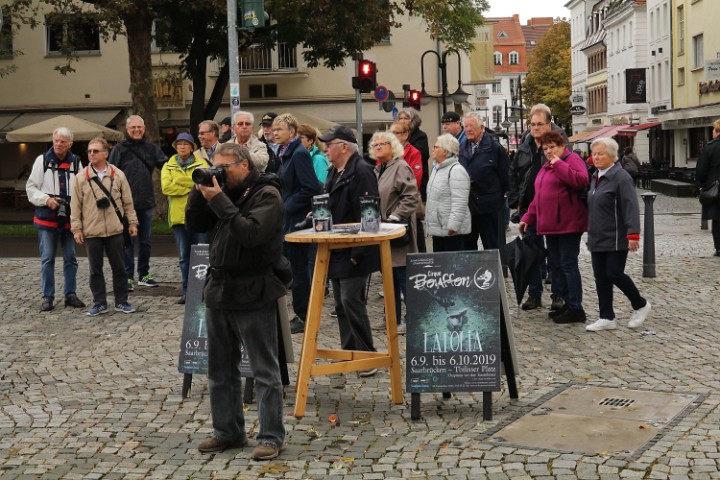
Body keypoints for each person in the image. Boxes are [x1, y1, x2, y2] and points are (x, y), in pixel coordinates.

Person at [186, 142, 287, 459]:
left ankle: (271, 436)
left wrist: (218, 199)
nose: (219, 173)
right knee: (219, 369)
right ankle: (227, 431)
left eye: (223, 168)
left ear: (244, 165)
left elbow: (251, 234)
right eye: (214, 166)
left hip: (253, 288)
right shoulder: (226, 191)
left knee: (264, 370)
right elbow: (195, 224)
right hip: (219, 287)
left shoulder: (267, 194)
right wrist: (200, 189)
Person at [319, 125, 380, 376]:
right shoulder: (335, 171)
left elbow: (369, 213)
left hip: (355, 249)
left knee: (351, 301)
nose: (325, 149)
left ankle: (366, 356)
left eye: (329, 144)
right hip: (336, 246)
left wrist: (358, 252)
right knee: (341, 305)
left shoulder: (362, 171)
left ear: (343, 146)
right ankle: (348, 353)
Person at [518, 131, 589, 324]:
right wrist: (528, 217)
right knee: (557, 266)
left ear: (562, 146)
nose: (549, 151)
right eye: (545, 148)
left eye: (552, 147)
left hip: (568, 224)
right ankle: (567, 304)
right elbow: (539, 196)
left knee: (568, 265)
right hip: (551, 225)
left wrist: (559, 164)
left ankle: (576, 308)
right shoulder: (547, 165)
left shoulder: (571, 159)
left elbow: (581, 180)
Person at [585, 137, 651, 332]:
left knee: (614, 273)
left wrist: (633, 234)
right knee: (600, 277)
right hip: (597, 236)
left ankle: (640, 304)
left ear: (612, 155)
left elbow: (630, 206)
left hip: (615, 236)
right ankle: (606, 317)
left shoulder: (621, 177)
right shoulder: (595, 176)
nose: (596, 157)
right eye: (594, 154)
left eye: (600, 154)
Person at [70, 137, 139, 316]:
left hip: (115, 230)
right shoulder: (80, 178)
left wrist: (132, 222)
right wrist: (76, 229)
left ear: (106, 154)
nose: (91, 154)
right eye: (89, 151)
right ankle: (100, 303)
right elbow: (75, 206)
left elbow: (128, 202)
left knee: (120, 269)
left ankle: (121, 301)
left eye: (95, 151)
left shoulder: (118, 174)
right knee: (95, 270)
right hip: (92, 231)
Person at [25, 127, 86, 312]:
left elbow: (82, 189)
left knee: (71, 259)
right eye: (56, 140)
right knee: (47, 259)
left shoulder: (76, 162)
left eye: (62, 142)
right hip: (47, 218)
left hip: (69, 219)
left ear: (70, 144)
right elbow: (31, 188)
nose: (58, 144)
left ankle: (70, 294)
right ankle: (48, 297)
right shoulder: (42, 160)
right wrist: (47, 200)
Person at [508, 105, 561, 311]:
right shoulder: (524, 147)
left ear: (549, 124)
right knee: (531, 253)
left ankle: (558, 295)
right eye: (532, 124)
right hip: (529, 210)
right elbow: (513, 174)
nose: (535, 128)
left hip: (553, 209)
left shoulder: (556, 144)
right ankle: (534, 294)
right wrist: (516, 200)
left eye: (539, 124)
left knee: (555, 255)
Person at [274, 113, 322, 335]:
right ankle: (302, 312)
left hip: (298, 220)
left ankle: (304, 315)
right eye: (274, 129)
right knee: (295, 269)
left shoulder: (299, 153)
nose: (274, 133)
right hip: (290, 218)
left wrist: (287, 206)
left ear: (292, 132)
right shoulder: (285, 152)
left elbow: (310, 187)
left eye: (279, 130)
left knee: (300, 271)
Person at [370, 130, 421, 335]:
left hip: (398, 231)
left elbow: (411, 196)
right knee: (388, 276)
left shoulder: (400, 166)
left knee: (403, 276)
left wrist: (394, 216)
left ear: (393, 147)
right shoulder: (379, 169)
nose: (378, 147)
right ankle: (392, 317)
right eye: (375, 144)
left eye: (382, 143)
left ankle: (413, 319)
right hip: (384, 232)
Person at [108, 115, 168, 291]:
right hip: (125, 204)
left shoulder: (151, 148)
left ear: (144, 128)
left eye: (139, 127)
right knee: (127, 241)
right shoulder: (119, 149)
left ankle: (144, 274)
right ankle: (127, 276)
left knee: (145, 241)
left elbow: (166, 166)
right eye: (133, 127)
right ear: (127, 130)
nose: (136, 130)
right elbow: (111, 174)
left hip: (146, 201)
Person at [161, 132, 210, 304]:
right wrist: (191, 186)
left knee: (201, 255)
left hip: (199, 216)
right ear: (176, 147)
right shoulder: (168, 166)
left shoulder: (202, 164)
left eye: (186, 144)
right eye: (179, 144)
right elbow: (166, 188)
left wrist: (180, 182)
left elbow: (204, 185)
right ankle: (188, 292)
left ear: (192, 147)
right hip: (178, 218)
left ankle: (201, 291)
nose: (182, 147)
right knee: (184, 257)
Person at [458, 111, 510, 251]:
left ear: (481, 128)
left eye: (471, 126)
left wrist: (499, 198)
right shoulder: (461, 148)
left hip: (489, 207)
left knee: (493, 247)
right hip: (468, 207)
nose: (468, 129)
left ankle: (496, 266)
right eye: (466, 126)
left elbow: (505, 176)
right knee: (468, 248)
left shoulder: (494, 147)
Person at [426, 134, 471, 252]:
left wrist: (453, 226)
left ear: (445, 151)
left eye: (435, 147)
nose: (432, 149)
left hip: (451, 232)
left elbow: (460, 202)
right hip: (439, 230)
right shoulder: (436, 168)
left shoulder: (456, 170)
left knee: (453, 262)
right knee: (439, 262)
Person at [397, 107, 429, 253]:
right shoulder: (395, 139)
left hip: (415, 186)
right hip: (399, 188)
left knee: (415, 220)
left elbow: (421, 156)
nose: (403, 121)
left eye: (406, 118)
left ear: (413, 121)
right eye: (401, 118)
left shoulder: (419, 137)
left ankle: (421, 254)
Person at [696, 119, 720, 256]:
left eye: (713, 130)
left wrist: (701, 185)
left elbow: (701, 169)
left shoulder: (710, 147)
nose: (712, 132)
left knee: (717, 219)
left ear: (717, 131)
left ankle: (719, 248)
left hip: (715, 188)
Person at [389, 121, 423, 190]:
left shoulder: (414, 153)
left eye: (395, 133)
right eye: (390, 133)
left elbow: (416, 180)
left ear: (405, 135)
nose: (391, 136)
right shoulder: (386, 151)